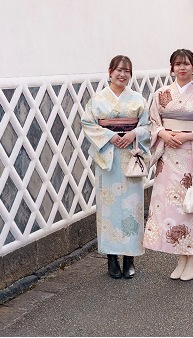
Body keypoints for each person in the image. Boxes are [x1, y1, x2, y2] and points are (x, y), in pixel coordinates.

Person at [144, 49, 193, 281]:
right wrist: (162, 134)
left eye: (186, 64)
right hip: (168, 157)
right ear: (172, 68)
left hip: (192, 156)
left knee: (192, 206)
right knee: (173, 209)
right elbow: (151, 122)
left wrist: (189, 136)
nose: (182, 68)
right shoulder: (161, 94)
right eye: (177, 64)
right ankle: (180, 258)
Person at [81, 55, 151, 279]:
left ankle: (129, 257)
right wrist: (110, 136)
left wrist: (133, 133)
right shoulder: (98, 99)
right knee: (108, 208)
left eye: (127, 71)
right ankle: (112, 258)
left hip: (131, 155)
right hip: (108, 158)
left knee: (132, 208)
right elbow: (87, 123)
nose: (122, 74)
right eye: (118, 70)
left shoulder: (138, 99)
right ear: (110, 71)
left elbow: (148, 125)